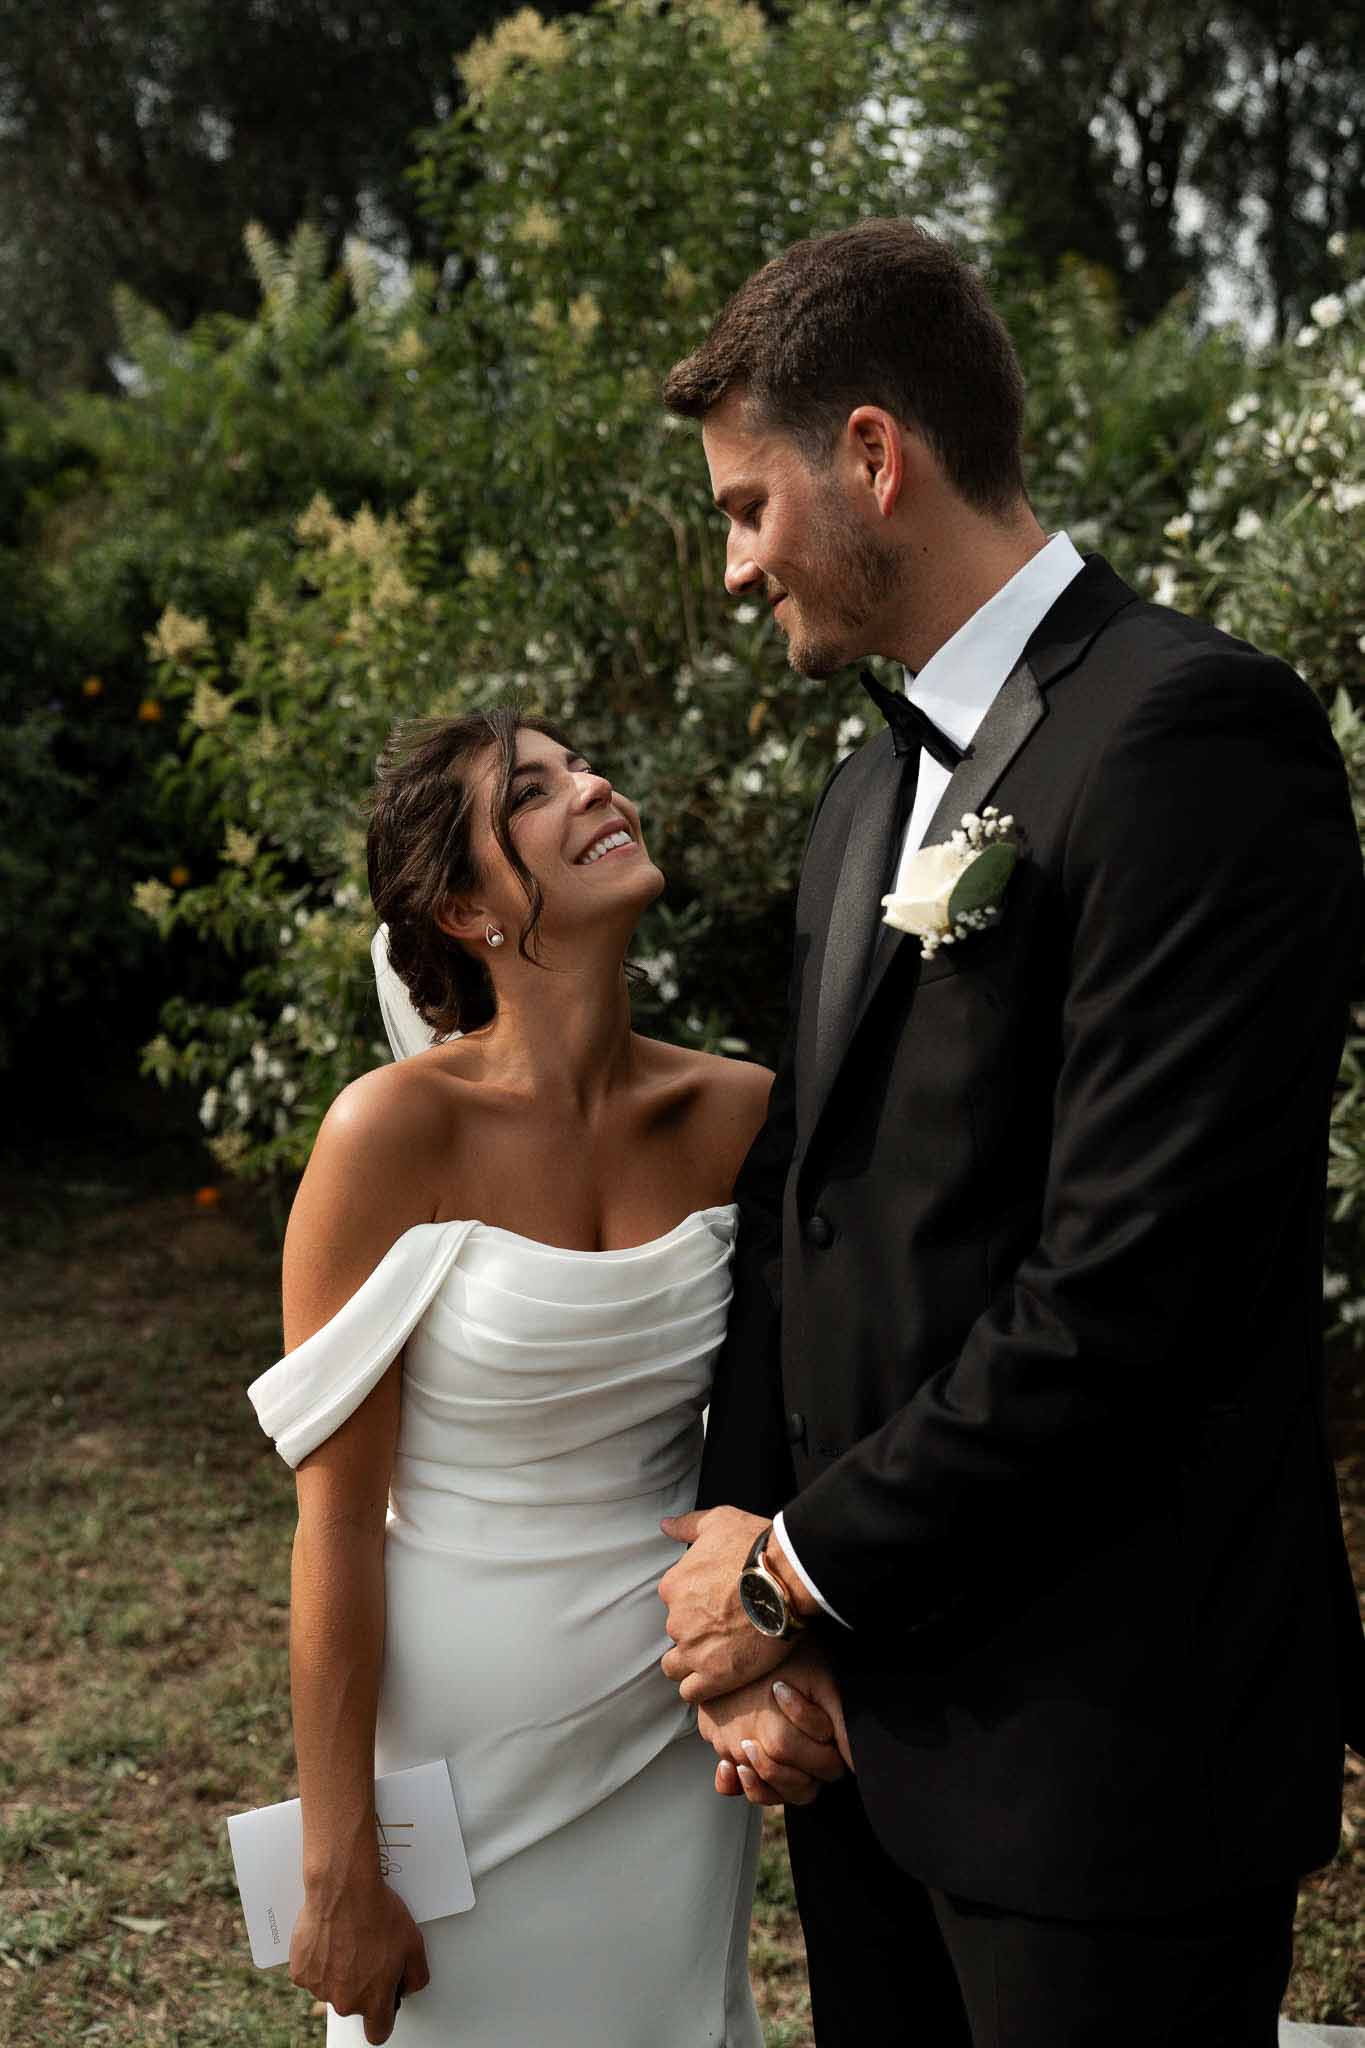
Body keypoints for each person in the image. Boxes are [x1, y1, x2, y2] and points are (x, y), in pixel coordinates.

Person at [655, 217, 1365, 2047]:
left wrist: (786, 1571)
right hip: (864, 1743)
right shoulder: (861, 793)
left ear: (873, 457)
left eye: (748, 508)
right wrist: (755, 1546)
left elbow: (1132, 1291)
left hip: (1104, 1764)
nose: (734, 568)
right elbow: (795, 1209)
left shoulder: (1192, 741)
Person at [246, 708, 844, 2047]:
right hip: (456, 1730)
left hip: (670, 1710)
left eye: (584, 760)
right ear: (462, 906)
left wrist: (762, 1639)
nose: (592, 781)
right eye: (532, 789)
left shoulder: (741, 1114)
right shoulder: (389, 1135)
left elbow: (788, 1428)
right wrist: (340, 1857)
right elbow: (335, 1529)